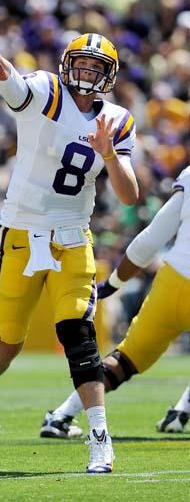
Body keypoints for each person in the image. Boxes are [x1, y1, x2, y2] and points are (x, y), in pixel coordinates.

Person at [0, 0, 139, 474]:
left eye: (99, 67)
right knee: (7, 344)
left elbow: (129, 195)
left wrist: (110, 156)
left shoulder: (117, 120)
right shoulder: (44, 93)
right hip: (23, 233)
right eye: (83, 64)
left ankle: (99, 436)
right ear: (67, 66)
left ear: (110, 75)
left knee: (79, 332)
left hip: (75, 236)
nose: (89, 74)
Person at [40, 165, 190, 439]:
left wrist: (114, 283)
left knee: (126, 359)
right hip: (175, 276)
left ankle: (62, 414)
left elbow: (151, 239)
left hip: (175, 280)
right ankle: (182, 411)